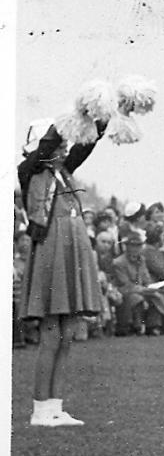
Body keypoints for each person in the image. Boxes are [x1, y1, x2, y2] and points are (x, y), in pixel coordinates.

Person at [18, 121, 107, 425]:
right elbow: (44, 149)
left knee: (67, 332)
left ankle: (55, 406)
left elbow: (86, 146)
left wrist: (101, 118)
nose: (64, 148)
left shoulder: (63, 172)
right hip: (50, 250)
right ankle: (40, 409)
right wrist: (67, 119)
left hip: (70, 251)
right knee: (51, 334)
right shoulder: (30, 171)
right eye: (59, 144)